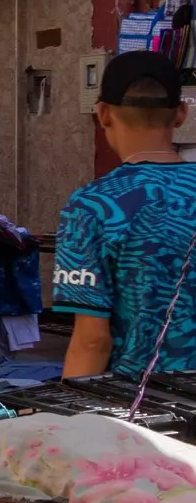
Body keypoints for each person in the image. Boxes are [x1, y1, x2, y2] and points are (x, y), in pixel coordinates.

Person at [56, 49, 196, 380]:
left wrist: (65, 425)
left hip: (145, 410)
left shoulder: (92, 205)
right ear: (181, 114)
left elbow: (91, 342)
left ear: (103, 114)